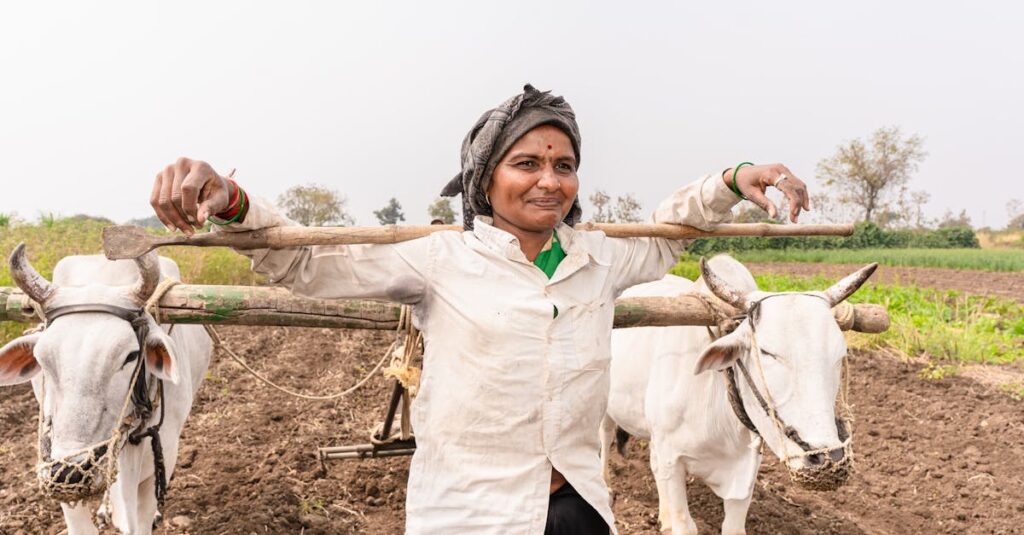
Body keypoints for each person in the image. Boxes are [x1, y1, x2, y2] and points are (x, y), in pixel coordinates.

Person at [148, 84, 809, 534]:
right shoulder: (439, 261)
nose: (549, 179)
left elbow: (672, 231)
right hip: (467, 514)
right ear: (485, 177)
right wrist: (231, 198)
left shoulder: (599, 259)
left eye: (564, 163)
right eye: (527, 161)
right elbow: (307, 260)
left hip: (577, 508)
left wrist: (730, 178)